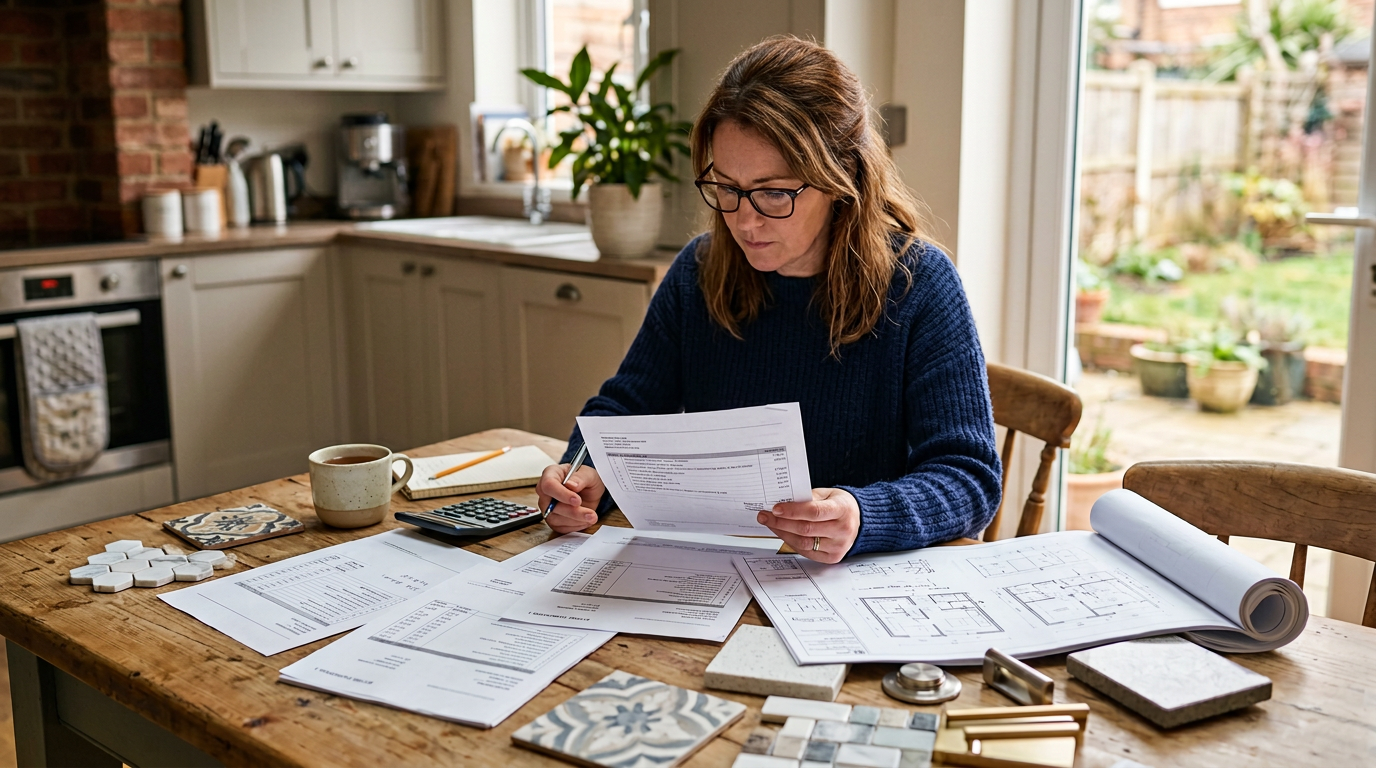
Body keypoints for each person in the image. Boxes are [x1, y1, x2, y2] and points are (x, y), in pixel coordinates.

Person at [537, 35, 1002, 563]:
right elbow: (624, 408)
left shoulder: (918, 283)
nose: (745, 220)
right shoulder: (698, 270)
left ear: (841, 176)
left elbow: (969, 478)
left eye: (774, 192)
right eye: (727, 187)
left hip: (850, 587)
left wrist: (863, 514)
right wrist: (579, 472)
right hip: (716, 568)